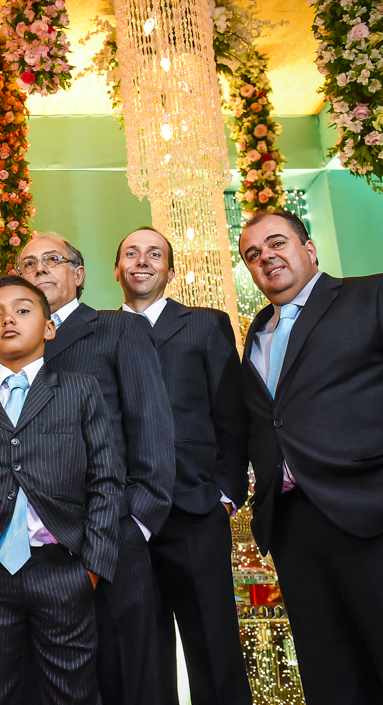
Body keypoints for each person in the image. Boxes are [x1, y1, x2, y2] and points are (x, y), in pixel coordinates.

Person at [238, 209, 383, 705]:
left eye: (277, 243)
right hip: (296, 533)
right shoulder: (255, 334)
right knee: (335, 688)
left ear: (309, 248)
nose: (266, 257)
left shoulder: (375, 294)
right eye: (253, 254)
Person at [0, 275, 122, 705]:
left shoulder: (80, 389)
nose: (8, 320)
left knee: (71, 694)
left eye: (22, 310)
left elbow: (105, 480)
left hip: (63, 569)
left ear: (49, 327)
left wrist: (92, 566)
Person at [18, 231, 174, 705]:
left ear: (79, 273)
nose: (40, 269)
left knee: (130, 676)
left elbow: (150, 424)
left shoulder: (118, 328)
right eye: (28, 264)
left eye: (52, 259)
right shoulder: (10, 342)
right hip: (40, 548)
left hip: (116, 530)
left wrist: (137, 522)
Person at [114, 227, 251, 705]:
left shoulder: (205, 325)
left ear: (170, 271)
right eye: (132, 253)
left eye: (154, 254)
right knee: (141, 654)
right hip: (125, 518)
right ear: (117, 270)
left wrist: (226, 494)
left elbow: (233, 414)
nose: (142, 261)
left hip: (194, 507)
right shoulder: (98, 332)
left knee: (214, 645)